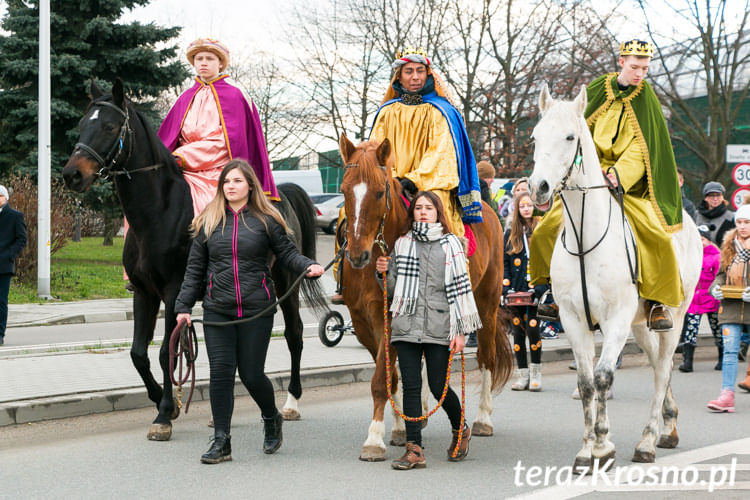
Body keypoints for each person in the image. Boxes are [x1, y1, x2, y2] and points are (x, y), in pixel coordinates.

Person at [174, 160, 324, 463]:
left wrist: (307, 265)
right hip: (217, 310)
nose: (231, 186)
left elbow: (287, 253)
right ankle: (221, 442)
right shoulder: (208, 221)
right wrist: (183, 307)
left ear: (250, 185)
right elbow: (194, 270)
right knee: (220, 374)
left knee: (252, 374)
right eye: (226, 181)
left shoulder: (267, 219)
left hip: (257, 309)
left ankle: (271, 418)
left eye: (237, 181)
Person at [530, 39, 683, 331]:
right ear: (622, 62)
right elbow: (575, 136)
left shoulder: (647, 100)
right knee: (545, 230)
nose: (640, 73)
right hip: (586, 178)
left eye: (645, 68)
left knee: (657, 237)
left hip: (624, 186)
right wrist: (591, 168)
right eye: (635, 67)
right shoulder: (598, 90)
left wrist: (616, 174)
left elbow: (644, 151)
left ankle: (655, 302)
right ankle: (550, 291)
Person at [375, 191, 479, 470]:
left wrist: (460, 332)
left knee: (438, 387)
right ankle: (414, 450)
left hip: (440, 326)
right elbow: (393, 289)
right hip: (406, 325)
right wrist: (383, 272)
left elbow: (461, 293)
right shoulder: (401, 244)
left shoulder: (452, 246)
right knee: (411, 387)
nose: (423, 212)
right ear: (413, 213)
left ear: (437, 213)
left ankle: (461, 429)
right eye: (418, 208)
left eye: (428, 208)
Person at [370, 47, 483, 239]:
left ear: (427, 74)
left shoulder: (440, 110)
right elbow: (377, 150)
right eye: (409, 71)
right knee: (353, 213)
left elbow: (441, 152)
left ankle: (451, 261)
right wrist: (393, 178)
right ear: (399, 76)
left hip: (429, 182)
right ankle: (348, 263)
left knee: (433, 205)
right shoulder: (386, 112)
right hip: (391, 182)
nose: (415, 77)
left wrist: (414, 180)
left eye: (420, 71)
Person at [158, 37, 279, 216]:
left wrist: (183, 156)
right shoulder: (184, 97)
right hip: (181, 167)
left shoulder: (234, 95)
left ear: (221, 63)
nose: (203, 63)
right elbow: (169, 138)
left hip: (220, 171)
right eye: (199, 59)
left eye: (210, 58)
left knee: (206, 206)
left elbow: (226, 143)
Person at [707, 203, 750, 413]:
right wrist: (715, 288)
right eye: (739, 222)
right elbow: (721, 275)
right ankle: (726, 395)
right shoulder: (729, 246)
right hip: (731, 306)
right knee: (730, 351)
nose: (742, 227)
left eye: (747, 222)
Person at [503, 194, 546, 391]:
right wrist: (506, 287)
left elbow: (547, 260)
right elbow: (505, 262)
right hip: (516, 291)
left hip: (535, 290)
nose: (526, 209)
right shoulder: (511, 233)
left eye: (529, 205)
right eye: (522, 206)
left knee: (533, 328)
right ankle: (522, 374)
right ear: (517, 209)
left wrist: (541, 288)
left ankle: (536, 373)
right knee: (518, 333)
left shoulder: (542, 229)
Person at [679, 225, 721, 372]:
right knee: (690, 330)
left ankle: (722, 357)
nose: (699, 242)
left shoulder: (716, 256)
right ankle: (687, 361)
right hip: (694, 300)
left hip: (711, 298)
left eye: (702, 239)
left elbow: (719, 277)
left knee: (716, 328)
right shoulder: (689, 255)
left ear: (708, 240)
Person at [0, 185, 27, 346]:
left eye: (0, 196)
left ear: (6, 198)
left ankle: (0, 332)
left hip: (3, 265)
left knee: (1, 301)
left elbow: (22, 239)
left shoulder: (15, 216)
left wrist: (9, 254)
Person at [695, 181, 734, 247]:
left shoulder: (730, 217)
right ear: (705, 198)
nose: (715, 199)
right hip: (699, 255)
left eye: (718, 195)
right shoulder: (696, 215)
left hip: (721, 255)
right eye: (711, 195)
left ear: (722, 197)